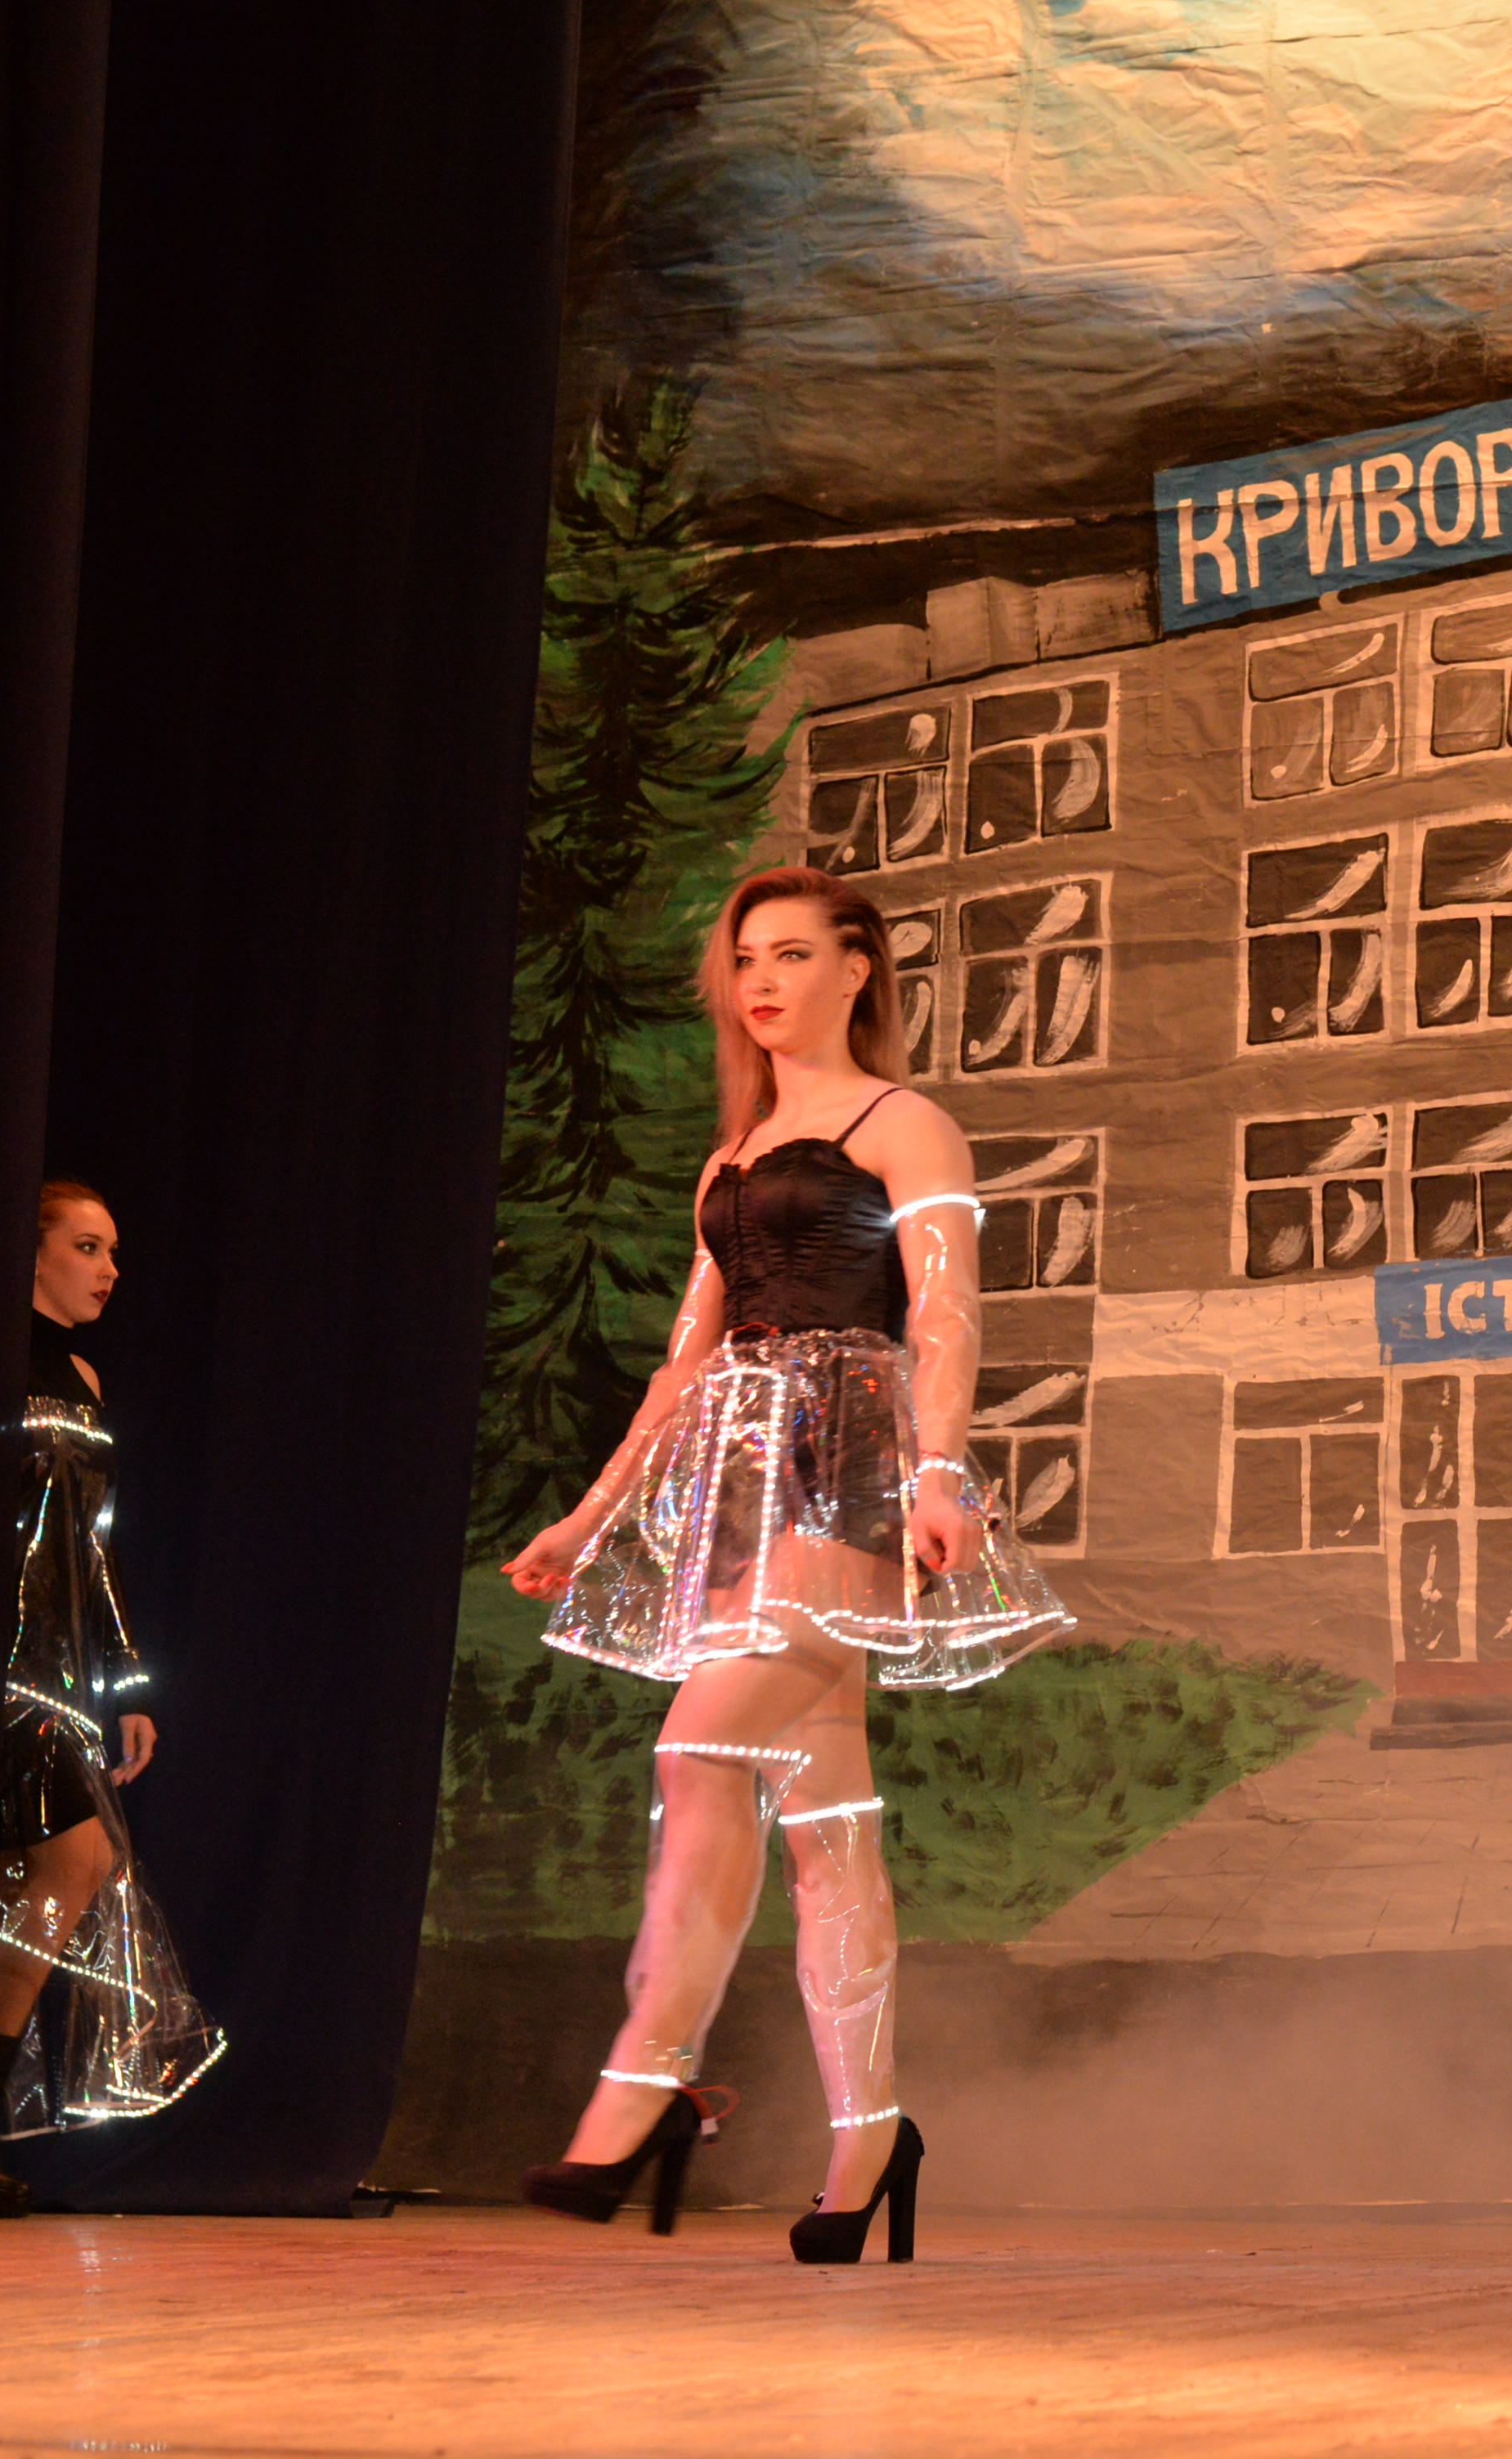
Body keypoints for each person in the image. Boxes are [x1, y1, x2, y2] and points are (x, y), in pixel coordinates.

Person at [503, 866, 1069, 2262]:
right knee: (829, 1826)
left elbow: (948, 1313)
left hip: (846, 1471)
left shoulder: (903, 1123)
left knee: (699, 1749)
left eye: (793, 954)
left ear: (857, 968)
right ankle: (869, 2136)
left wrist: (940, 1473)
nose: (760, 981)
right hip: (732, 1489)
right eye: (746, 958)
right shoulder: (735, 1154)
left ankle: (644, 2084)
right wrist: (586, 1518)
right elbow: (683, 1362)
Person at [0, 1181, 226, 2217]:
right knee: (60, 1864)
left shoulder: (80, 1374)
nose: (110, 1269)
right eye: (87, 1246)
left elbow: (91, 1542)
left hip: (51, 1668)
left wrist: (125, 1677)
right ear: (31, 1252)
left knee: (41, 1875)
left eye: (112, 1249)